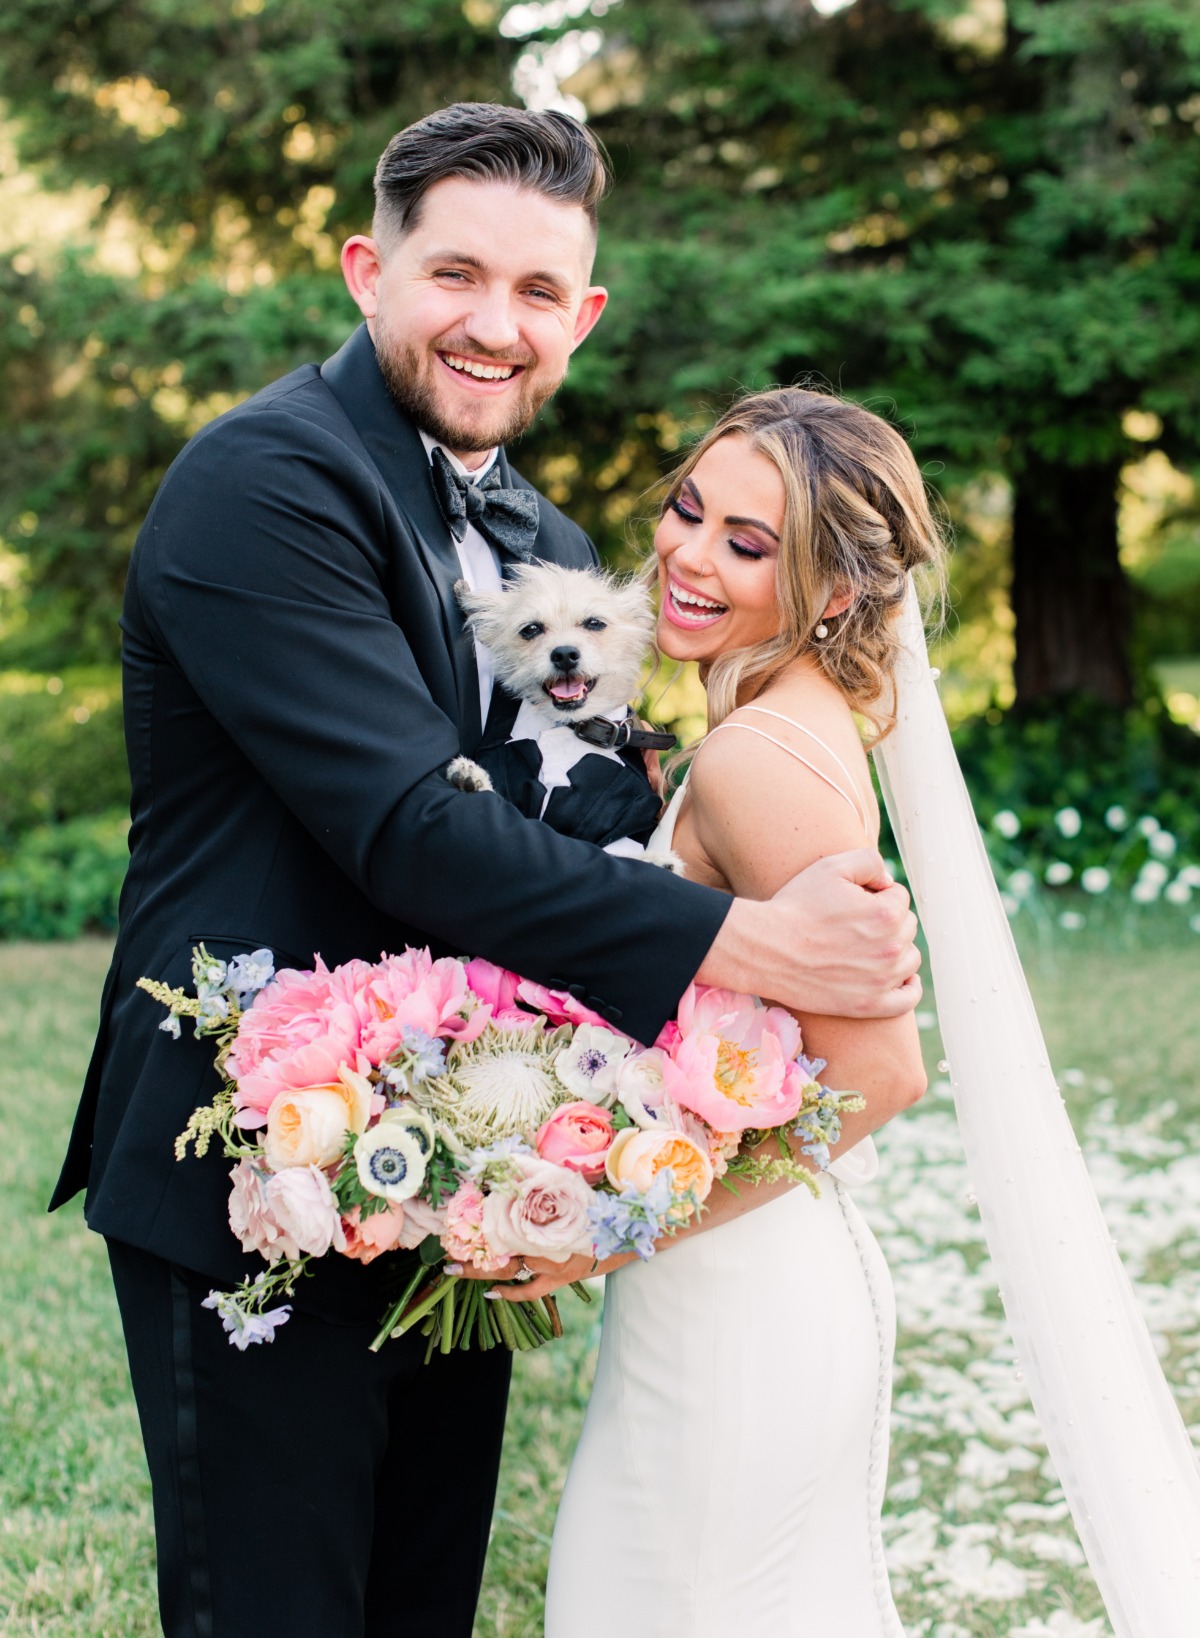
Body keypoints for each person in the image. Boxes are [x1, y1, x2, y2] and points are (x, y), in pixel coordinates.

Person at [50, 106, 922, 1638]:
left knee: (421, 1602)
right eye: (456, 272)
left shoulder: (544, 534)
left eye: (538, 293)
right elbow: (407, 827)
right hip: (261, 1151)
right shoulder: (266, 483)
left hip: (469, 1163)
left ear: (581, 317)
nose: (492, 324)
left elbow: (573, 822)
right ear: (365, 269)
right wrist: (753, 942)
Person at [494, 387, 941, 1636]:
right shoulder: (770, 722)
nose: (689, 555)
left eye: (748, 545)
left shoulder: (754, 759)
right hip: (721, 1287)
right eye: (689, 509)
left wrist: (607, 1231)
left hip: (740, 1307)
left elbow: (885, 1073)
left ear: (835, 592)